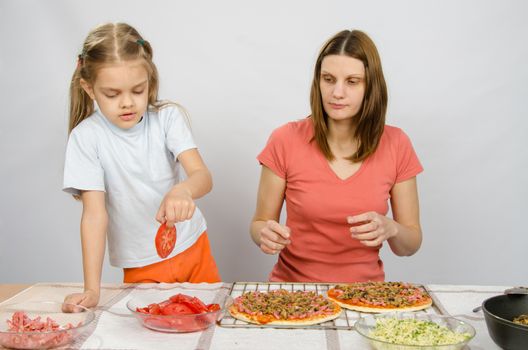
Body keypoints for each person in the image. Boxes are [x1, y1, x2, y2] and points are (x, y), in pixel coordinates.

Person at [62, 23, 220, 309]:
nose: (127, 103)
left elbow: (202, 176)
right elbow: (94, 216)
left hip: (193, 247)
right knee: (154, 332)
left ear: (150, 80)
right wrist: (92, 289)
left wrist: (183, 190)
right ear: (89, 88)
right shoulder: (85, 138)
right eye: (112, 94)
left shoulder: (168, 118)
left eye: (138, 90)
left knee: (206, 319)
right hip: (141, 264)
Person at [250, 29, 423, 283]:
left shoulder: (397, 144)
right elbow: (260, 222)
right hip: (292, 294)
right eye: (328, 79)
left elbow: (409, 245)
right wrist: (264, 233)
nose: (337, 92)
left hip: (365, 297)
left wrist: (392, 228)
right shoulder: (285, 139)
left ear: (370, 86)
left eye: (352, 82)